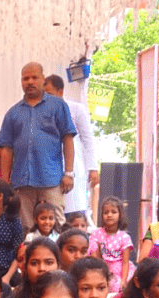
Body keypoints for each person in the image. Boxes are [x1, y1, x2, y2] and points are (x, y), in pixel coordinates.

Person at [0, 62, 77, 229]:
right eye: (26, 78)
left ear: (43, 79)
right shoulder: (13, 112)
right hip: (22, 181)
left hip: (51, 178)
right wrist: (5, 182)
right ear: (21, 82)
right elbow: (6, 149)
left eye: (34, 77)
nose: (30, 82)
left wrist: (69, 173)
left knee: (56, 224)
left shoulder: (57, 105)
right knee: (25, 227)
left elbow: (68, 138)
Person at [44, 75, 99, 221]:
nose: (46, 98)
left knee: (75, 211)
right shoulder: (41, 112)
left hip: (75, 167)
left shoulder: (76, 109)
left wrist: (92, 168)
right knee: (54, 212)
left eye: (49, 94)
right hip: (50, 169)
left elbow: (87, 139)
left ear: (60, 92)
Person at [88, 196, 135, 291]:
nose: (109, 215)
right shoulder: (97, 234)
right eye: (106, 212)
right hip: (102, 268)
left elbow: (125, 262)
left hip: (120, 271)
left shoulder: (124, 237)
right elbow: (94, 257)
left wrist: (123, 282)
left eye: (113, 212)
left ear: (120, 214)